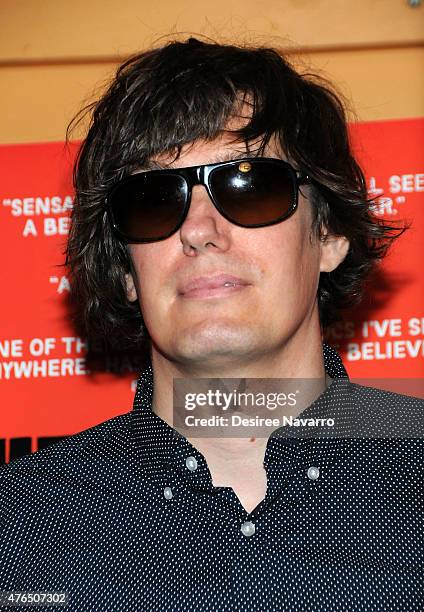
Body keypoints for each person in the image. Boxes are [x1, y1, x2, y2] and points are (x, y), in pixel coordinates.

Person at [0, 37, 422, 612]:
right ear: (126, 270)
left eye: (249, 185)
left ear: (328, 235)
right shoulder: (22, 523)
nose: (198, 230)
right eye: (152, 199)